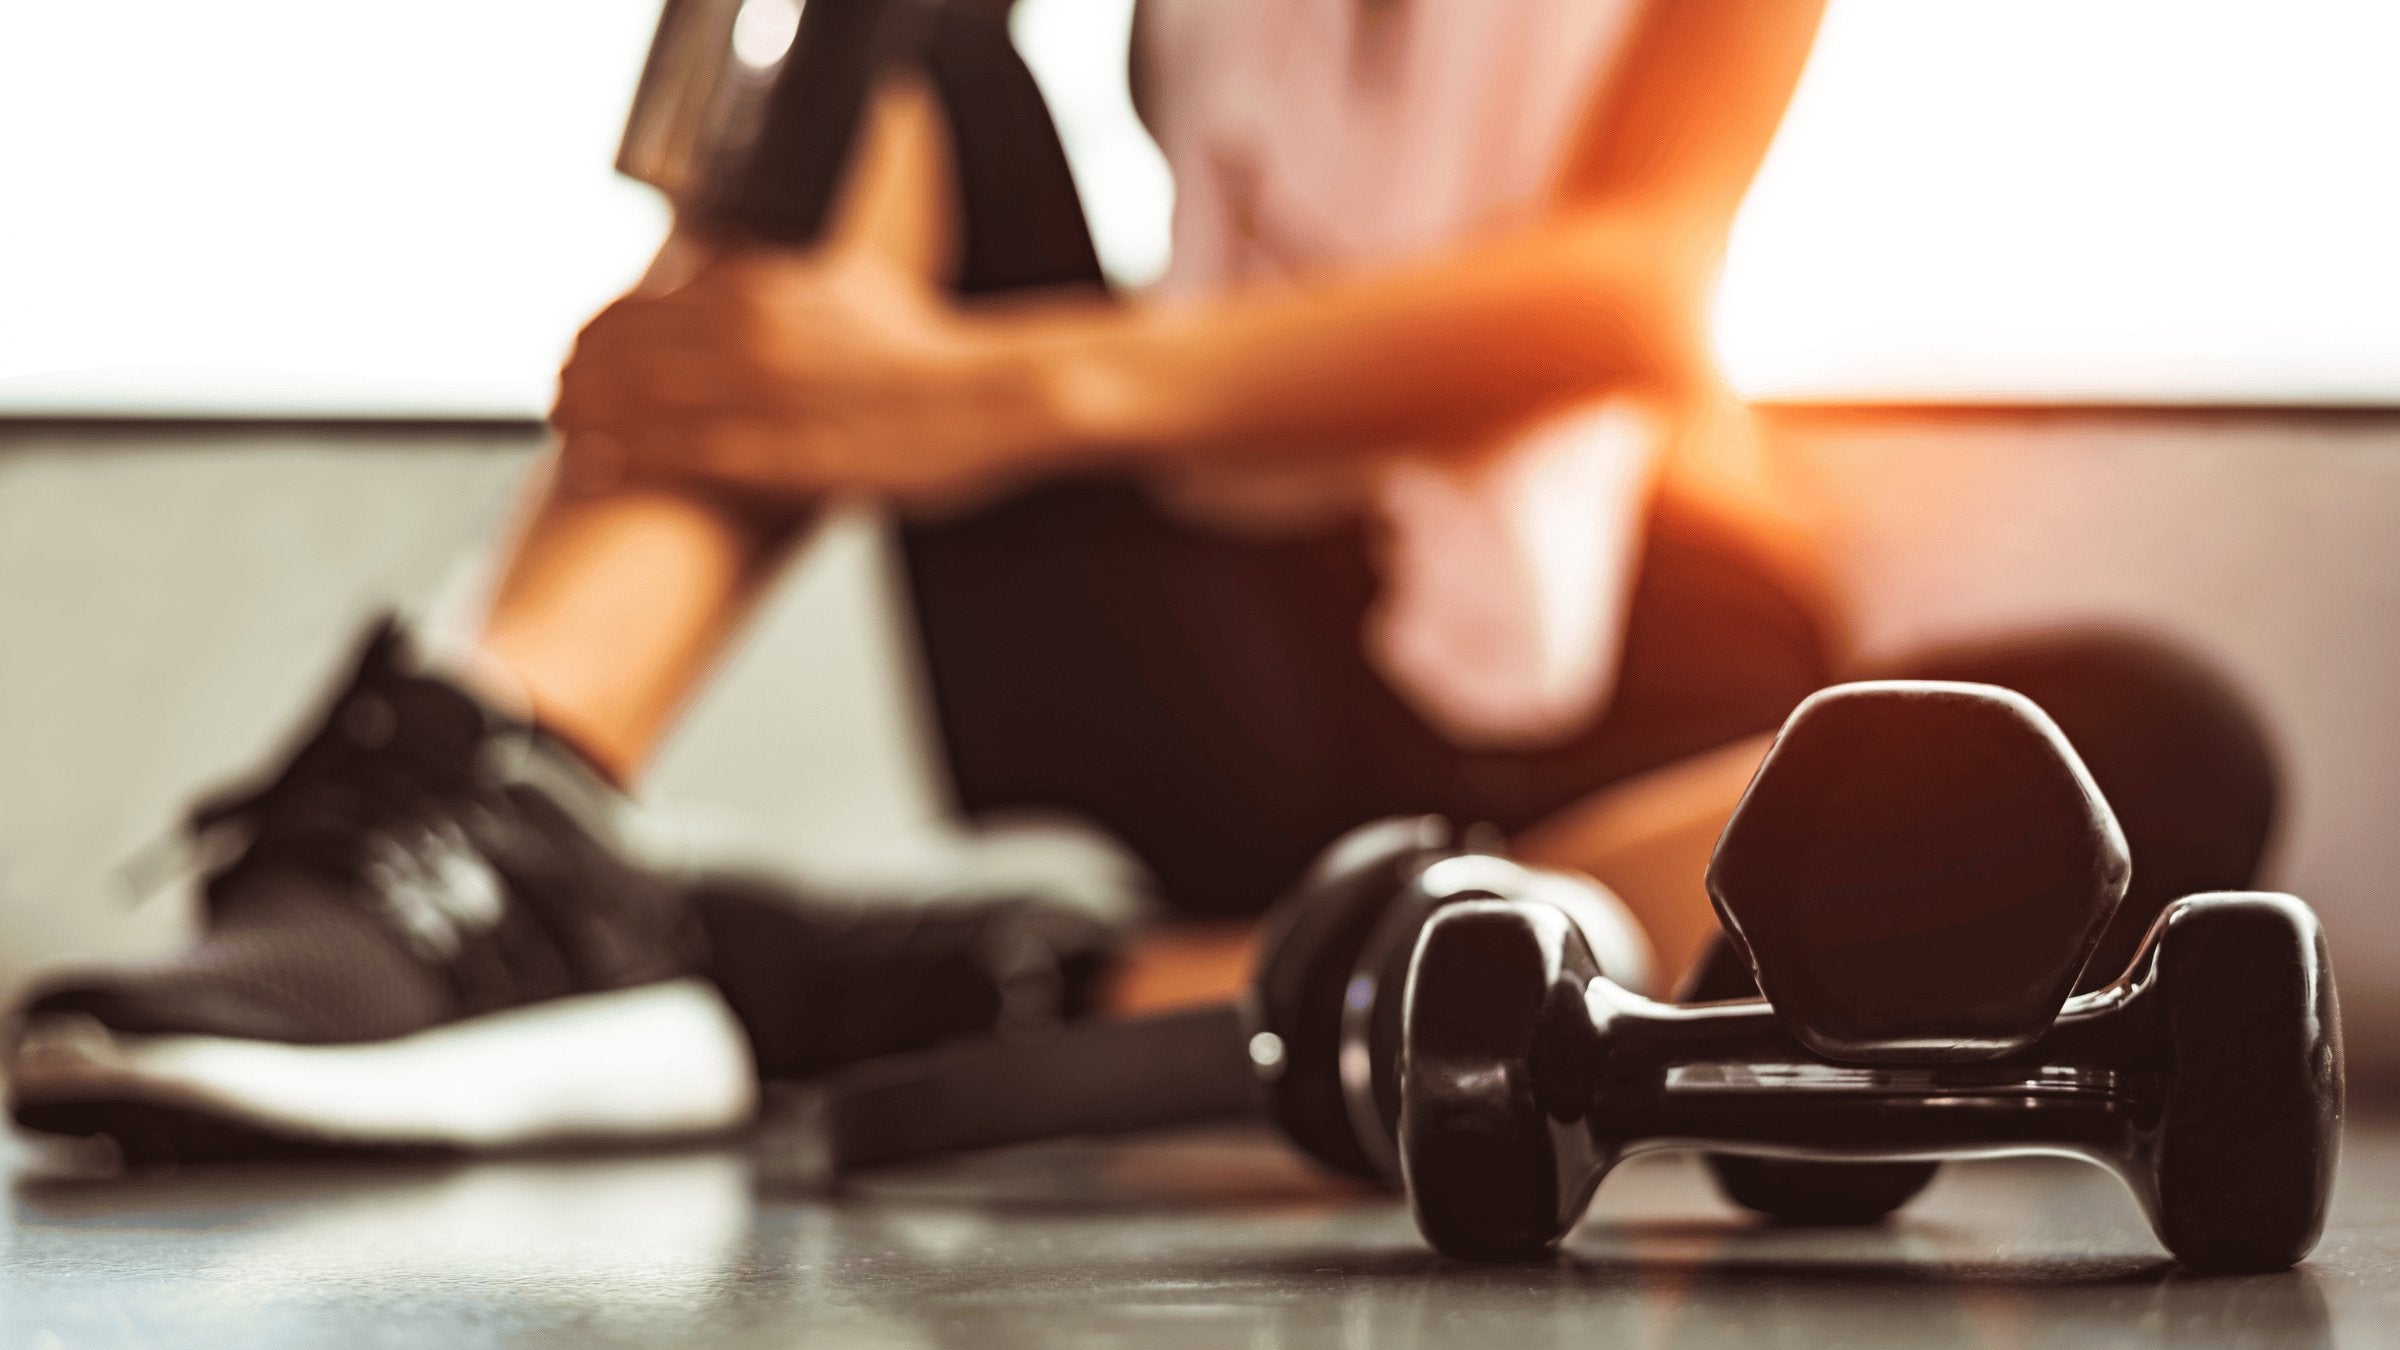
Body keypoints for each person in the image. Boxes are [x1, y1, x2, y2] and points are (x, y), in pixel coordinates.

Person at [8, 0, 2277, 1160]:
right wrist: (862, 342)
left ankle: (1033, 988)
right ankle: (471, 823)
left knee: (2155, 749)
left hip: (1625, 703)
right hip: (1210, 661)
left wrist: (984, 401)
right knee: (883, 20)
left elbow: (1623, 296)